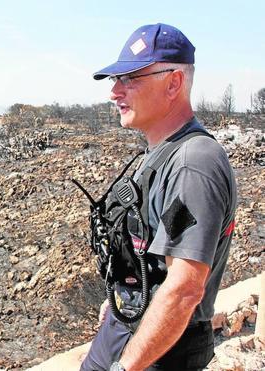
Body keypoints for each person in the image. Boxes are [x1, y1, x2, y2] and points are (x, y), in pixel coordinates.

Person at [79, 23, 237, 371]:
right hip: (134, 325)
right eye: (115, 80)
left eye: (131, 78)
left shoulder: (193, 164)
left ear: (173, 83)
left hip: (162, 349)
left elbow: (184, 289)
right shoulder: (162, 153)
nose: (115, 92)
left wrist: (124, 367)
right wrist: (123, 296)